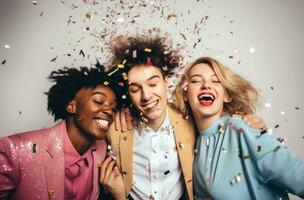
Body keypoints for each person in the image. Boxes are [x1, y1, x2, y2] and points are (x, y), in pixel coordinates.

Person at [100, 35, 267, 200]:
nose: (146, 96)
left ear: (166, 83)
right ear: (127, 93)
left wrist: (246, 120)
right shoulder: (114, 127)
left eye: (153, 84)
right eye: (135, 89)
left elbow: (215, 116)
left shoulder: (189, 117)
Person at [172, 56, 304, 199]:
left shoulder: (242, 131)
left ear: (226, 95)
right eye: (196, 81)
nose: (206, 85)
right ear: (185, 93)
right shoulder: (190, 140)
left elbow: (297, 174)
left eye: (215, 81)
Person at [0, 64, 126, 200]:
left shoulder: (103, 150)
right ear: (72, 106)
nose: (109, 111)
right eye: (99, 101)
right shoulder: (15, 150)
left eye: (113, 108)